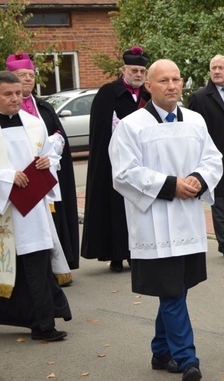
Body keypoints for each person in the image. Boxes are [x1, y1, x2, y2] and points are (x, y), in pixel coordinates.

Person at [110, 59, 222, 381]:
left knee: (176, 289)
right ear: (149, 85)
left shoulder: (196, 121)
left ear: (183, 82)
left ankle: (161, 351)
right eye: (163, 80)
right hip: (155, 221)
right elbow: (124, 172)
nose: (171, 86)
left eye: (176, 79)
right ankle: (188, 360)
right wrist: (171, 184)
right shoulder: (132, 126)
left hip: (187, 221)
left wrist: (200, 179)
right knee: (172, 293)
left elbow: (213, 158)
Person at [0, 71, 71, 342]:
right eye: (8, 94)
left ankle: (43, 324)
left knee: (37, 264)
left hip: (32, 207)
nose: (15, 99)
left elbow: (49, 158)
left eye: (18, 93)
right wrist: (7, 177)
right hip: (5, 209)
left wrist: (47, 163)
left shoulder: (33, 123)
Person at [6, 53, 79, 280]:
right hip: (12, 182)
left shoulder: (43, 109)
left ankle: (51, 274)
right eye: (21, 76)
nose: (27, 80)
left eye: (30, 75)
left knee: (46, 228)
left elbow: (56, 136)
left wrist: (51, 155)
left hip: (41, 178)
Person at [81, 46, 151, 272]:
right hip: (113, 162)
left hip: (141, 162)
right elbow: (100, 129)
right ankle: (115, 255)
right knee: (114, 208)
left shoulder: (149, 95)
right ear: (124, 69)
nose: (139, 75)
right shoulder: (108, 92)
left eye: (142, 71)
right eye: (134, 70)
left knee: (138, 206)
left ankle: (136, 252)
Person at [188, 55, 224, 267]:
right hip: (214, 159)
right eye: (213, 68)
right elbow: (192, 130)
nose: (217, 71)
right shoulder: (200, 97)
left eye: (221, 68)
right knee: (218, 202)